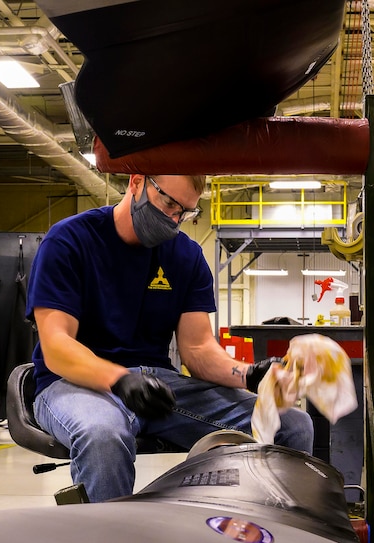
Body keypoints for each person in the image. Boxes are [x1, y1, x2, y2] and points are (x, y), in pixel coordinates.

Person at [26, 173, 314, 502]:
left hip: (155, 385)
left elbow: (197, 348)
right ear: (136, 183)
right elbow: (57, 347)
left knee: (292, 424)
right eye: (168, 203)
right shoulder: (69, 240)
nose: (173, 219)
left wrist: (249, 375)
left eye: (185, 212)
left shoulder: (186, 256)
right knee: (103, 435)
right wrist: (118, 379)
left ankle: (272, 539)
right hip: (73, 381)